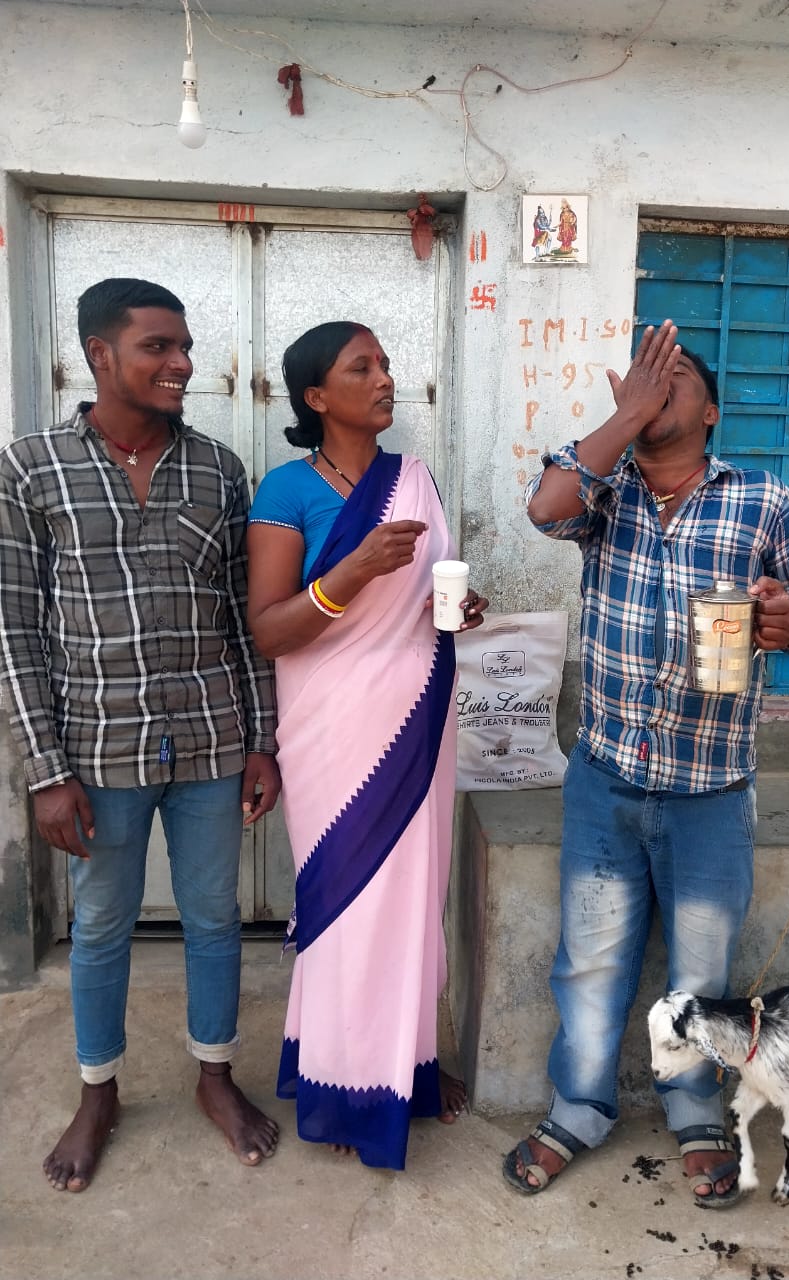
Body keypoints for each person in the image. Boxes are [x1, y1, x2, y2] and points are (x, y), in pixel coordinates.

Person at [503, 319, 789, 1207]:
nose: (657, 387)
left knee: (700, 973)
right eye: (644, 377)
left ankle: (694, 1110)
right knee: (590, 964)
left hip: (711, 790)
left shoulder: (763, 499)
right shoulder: (603, 491)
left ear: (712, 411)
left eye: (676, 376)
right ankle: (578, 1109)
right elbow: (543, 508)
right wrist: (625, 418)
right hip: (606, 780)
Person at [0, 277, 282, 1192]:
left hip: (210, 741)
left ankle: (214, 1076)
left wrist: (263, 740)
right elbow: (14, 630)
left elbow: (245, 619)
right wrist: (45, 772)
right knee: (100, 927)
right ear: (100, 353)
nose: (182, 364)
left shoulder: (218, 470)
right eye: (158, 346)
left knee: (214, 919)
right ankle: (98, 1091)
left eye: (184, 346)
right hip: (96, 751)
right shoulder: (31, 468)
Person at [246, 321, 488, 1171]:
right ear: (317, 396)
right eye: (363, 367)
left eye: (386, 363)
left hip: (418, 713)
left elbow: (423, 603)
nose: (385, 378)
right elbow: (271, 630)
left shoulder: (414, 480)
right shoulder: (286, 490)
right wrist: (354, 572)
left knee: (412, 899)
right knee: (347, 901)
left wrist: (455, 611)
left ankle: (407, 1066)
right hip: (333, 729)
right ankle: (344, 1081)